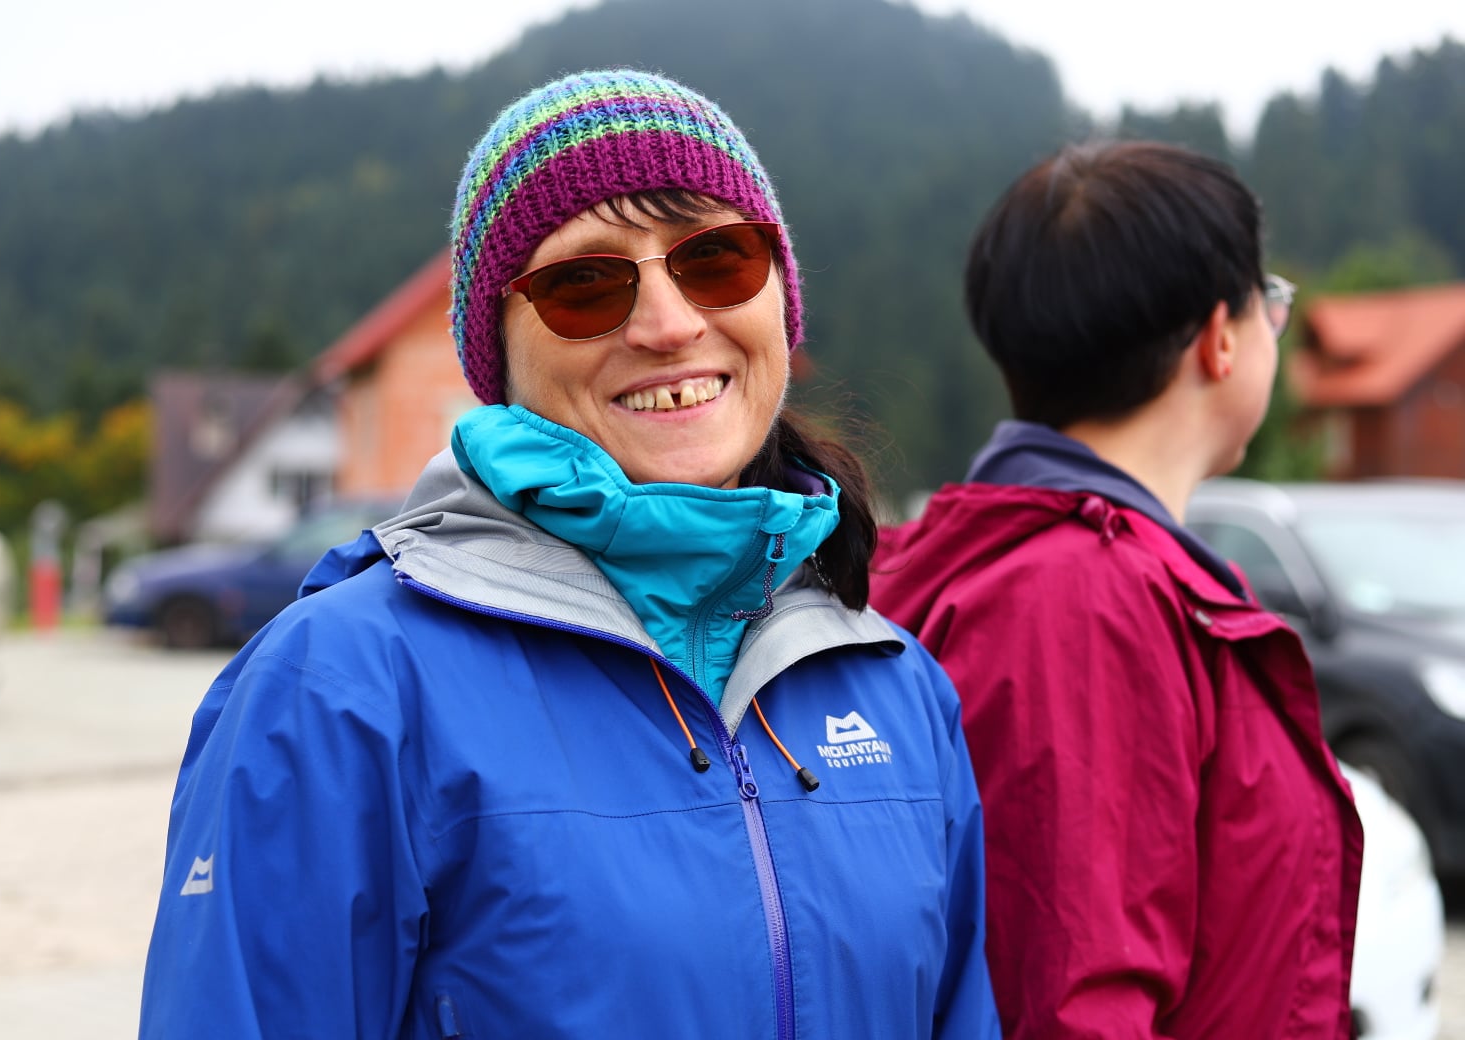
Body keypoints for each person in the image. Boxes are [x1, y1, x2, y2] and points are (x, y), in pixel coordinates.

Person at [140, 69, 999, 1039]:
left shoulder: (897, 686)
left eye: (717, 258)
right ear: (498, 356)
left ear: (780, 298)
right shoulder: (341, 687)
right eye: (584, 284)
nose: (670, 324)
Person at [869, 140, 1363, 1038]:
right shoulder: (1079, 600)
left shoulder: (1085, 575)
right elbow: (1072, 1002)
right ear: (1220, 338)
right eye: (1270, 302)